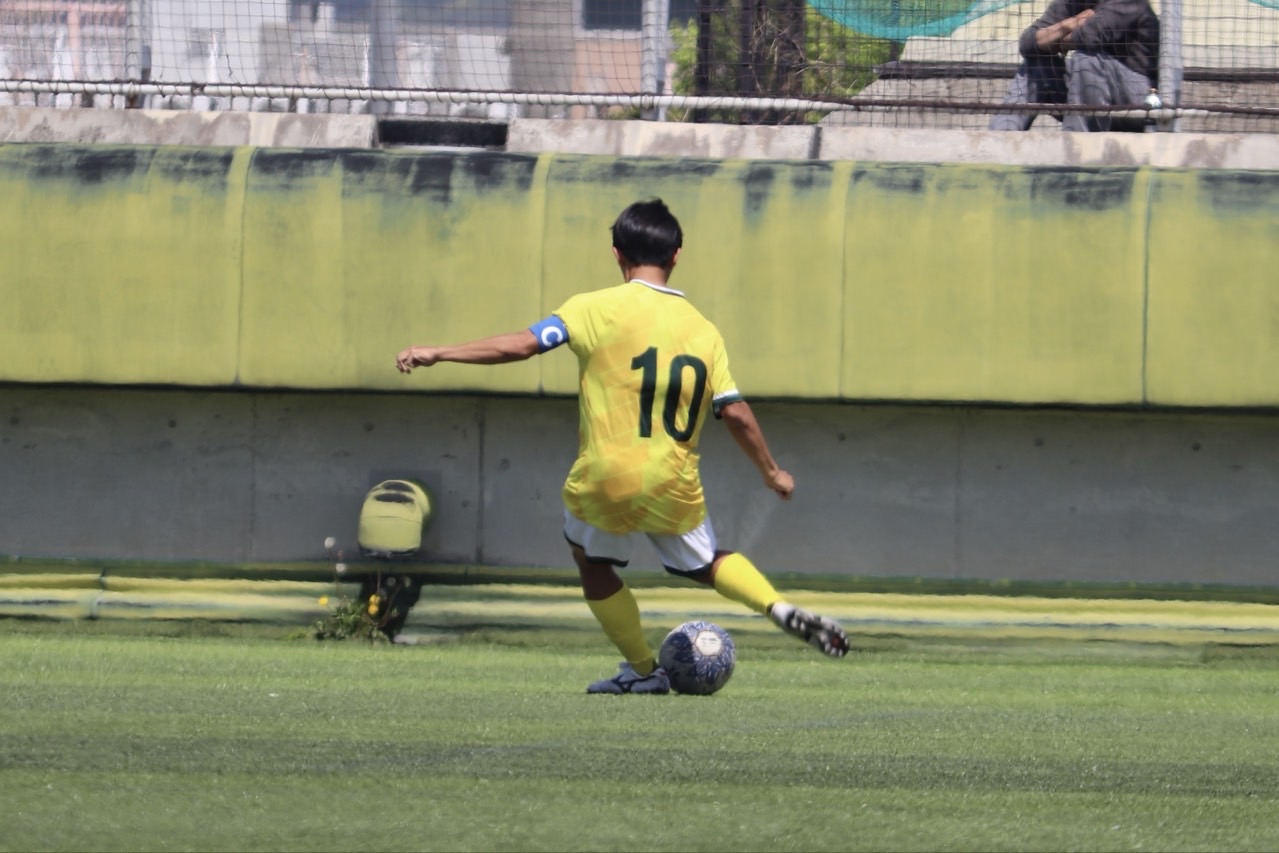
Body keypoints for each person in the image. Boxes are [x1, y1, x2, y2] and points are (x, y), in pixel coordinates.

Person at [396, 199, 849, 695]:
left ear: (617, 254)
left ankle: (642, 669)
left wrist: (440, 352)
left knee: (593, 564)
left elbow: (522, 345)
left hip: (605, 476)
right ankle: (774, 606)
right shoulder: (703, 329)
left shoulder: (592, 308)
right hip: (673, 479)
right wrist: (771, 472)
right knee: (706, 563)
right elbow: (736, 412)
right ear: (676, 255)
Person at [989, 0, 1160, 132]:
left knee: (1087, 59)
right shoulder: (1071, 3)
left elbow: (1090, 37)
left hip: (1139, 100)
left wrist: (1051, 39)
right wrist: (1070, 23)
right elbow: (1027, 43)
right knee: (1038, 63)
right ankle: (1001, 137)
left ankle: (1078, 142)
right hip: (1091, 93)